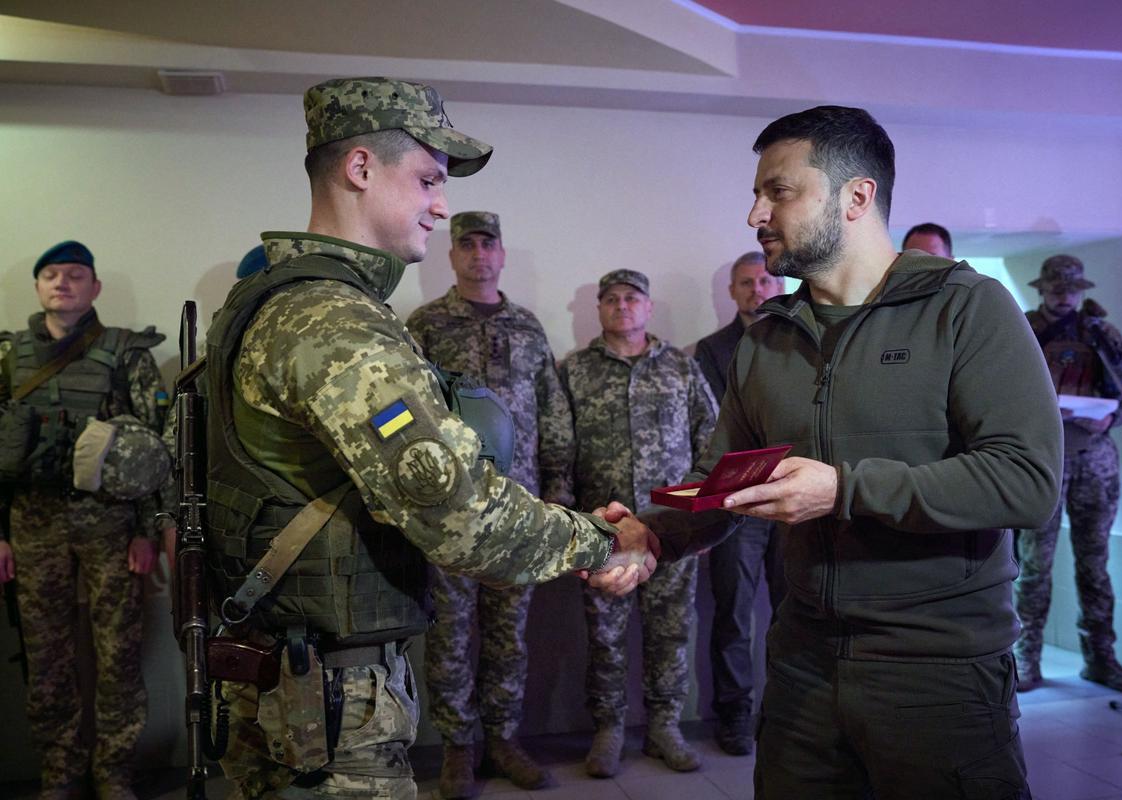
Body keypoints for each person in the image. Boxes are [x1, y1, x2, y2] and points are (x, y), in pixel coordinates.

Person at [199, 77, 656, 800]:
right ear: (359, 168)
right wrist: (605, 542)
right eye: (428, 179)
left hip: (273, 663)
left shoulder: (258, 305)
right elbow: (461, 517)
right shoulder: (338, 324)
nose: (440, 206)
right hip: (329, 695)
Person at [632, 106, 1063, 799]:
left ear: (856, 197)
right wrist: (652, 534)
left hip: (936, 673)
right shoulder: (767, 338)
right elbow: (723, 480)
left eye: (778, 191)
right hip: (803, 668)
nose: (754, 215)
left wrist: (845, 490)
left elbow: (1027, 481)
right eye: (756, 194)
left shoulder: (967, 309)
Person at [407, 211, 574, 797]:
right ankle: (458, 747)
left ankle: (502, 739)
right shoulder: (425, 325)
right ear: (451, 257)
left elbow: (553, 410)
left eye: (488, 244)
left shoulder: (528, 328)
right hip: (449, 508)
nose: (479, 254)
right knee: (450, 632)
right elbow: (405, 416)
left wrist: (559, 491)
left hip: (518, 508)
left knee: (509, 633)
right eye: (467, 245)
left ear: (501, 255)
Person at [0, 241, 169, 800]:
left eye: (76, 275)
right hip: (32, 520)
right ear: (37, 287)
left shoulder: (125, 352)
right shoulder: (8, 357)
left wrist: (148, 530)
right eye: (50, 275)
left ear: (95, 288)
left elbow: (153, 450)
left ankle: (114, 772)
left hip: (109, 521)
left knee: (118, 651)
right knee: (46, 656)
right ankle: (60, 772)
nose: (62, 283)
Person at [559, 269, 716, 778]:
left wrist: (709, 523)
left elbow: (711, 443)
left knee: (670, 632)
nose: (621, 306)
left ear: (648, 308)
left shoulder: (680, 368)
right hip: (603, 532)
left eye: (632, 298)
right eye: (610, 299)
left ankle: (664, 726)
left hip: (673, 530)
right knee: (605, 636)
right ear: (598, 309)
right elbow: (558, 451)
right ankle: (608, 730)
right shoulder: (575, 371)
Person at [1013, 255, 1122, 695]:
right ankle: (1025, 660)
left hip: (1094, 458)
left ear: (1081, 290)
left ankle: (1101, 659)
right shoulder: (1024, 329)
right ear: (1042, 288)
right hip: (1044, 458)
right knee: (1034, 567)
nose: (1064, 295)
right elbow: (1002, 390)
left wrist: (1111, 419)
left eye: (1071, 288)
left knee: (1096, 565)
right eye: (1056, 288)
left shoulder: (1098, 330)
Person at [693, 251, 786, 755]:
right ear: (732, 292)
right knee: (734, 612)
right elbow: (716, 429)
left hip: (794, 496)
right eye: (747, 282)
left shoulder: (803, 339)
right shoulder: (711, 351)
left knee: (795, 610)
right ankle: (735, 714)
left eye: (766, 279)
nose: (758, 289)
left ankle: (789, 711)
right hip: (736, 501)